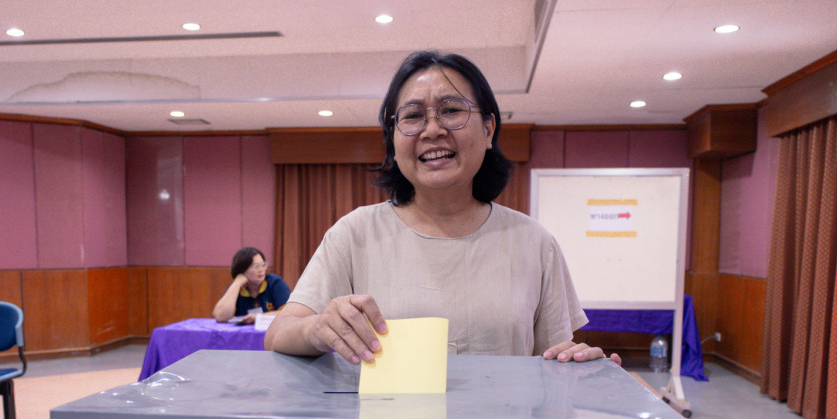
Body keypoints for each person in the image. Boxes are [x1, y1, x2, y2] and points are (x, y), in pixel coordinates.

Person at [265, 50, 620, 366]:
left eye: (451, 110)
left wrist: (580, 364)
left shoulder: (534, 241)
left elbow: (554, 360)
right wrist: (318, 328)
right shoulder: (355, 233)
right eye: (413, 116)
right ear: (393, 139)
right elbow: (279, 333)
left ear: (488, 129)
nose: (432, 130)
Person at [212, 247, 292, 324]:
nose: (261, 270)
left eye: (263, 265)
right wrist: (237, 283)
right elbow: (220, 317)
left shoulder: (275, 283)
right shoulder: (236, 288)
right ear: (242, 270)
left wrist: (258, 317)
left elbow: (288, 313)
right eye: (256, 266)